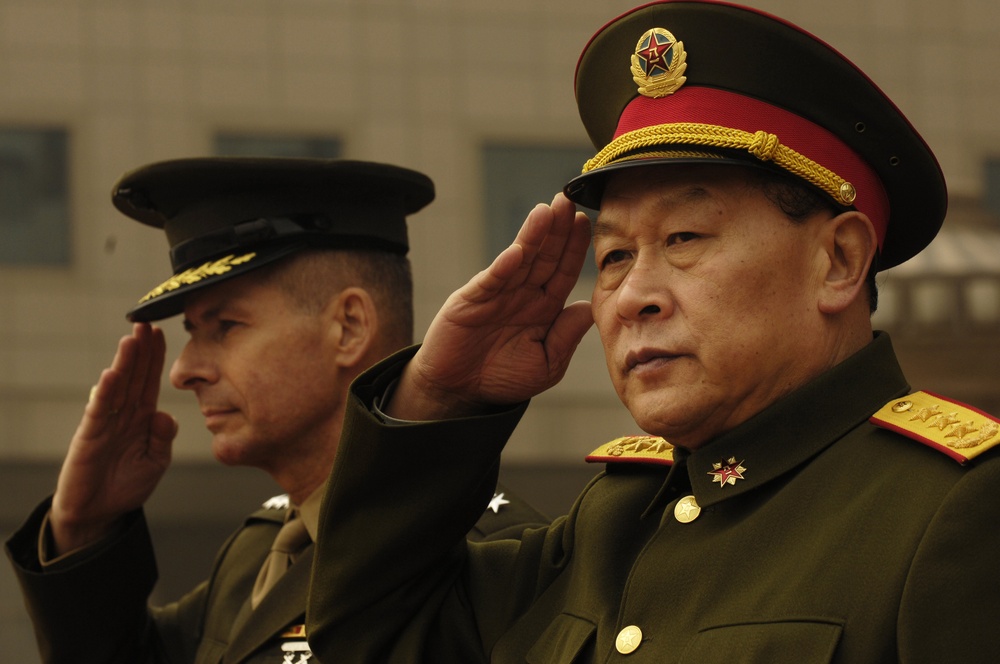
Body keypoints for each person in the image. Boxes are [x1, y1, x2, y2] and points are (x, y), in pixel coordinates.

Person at [304, 2, 1000, 662]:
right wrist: (439, 394)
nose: (632, 295)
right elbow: (372, 635)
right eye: (612, 257)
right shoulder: (616, 517)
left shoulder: (957, 512)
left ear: (839, 261)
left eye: (684, 236)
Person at [4, 157, 549, 664]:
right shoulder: (258, 552)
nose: (184, 371)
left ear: (349, 327)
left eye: (227, 327)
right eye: (193, 332)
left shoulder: (480, 553)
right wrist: (83, 530)